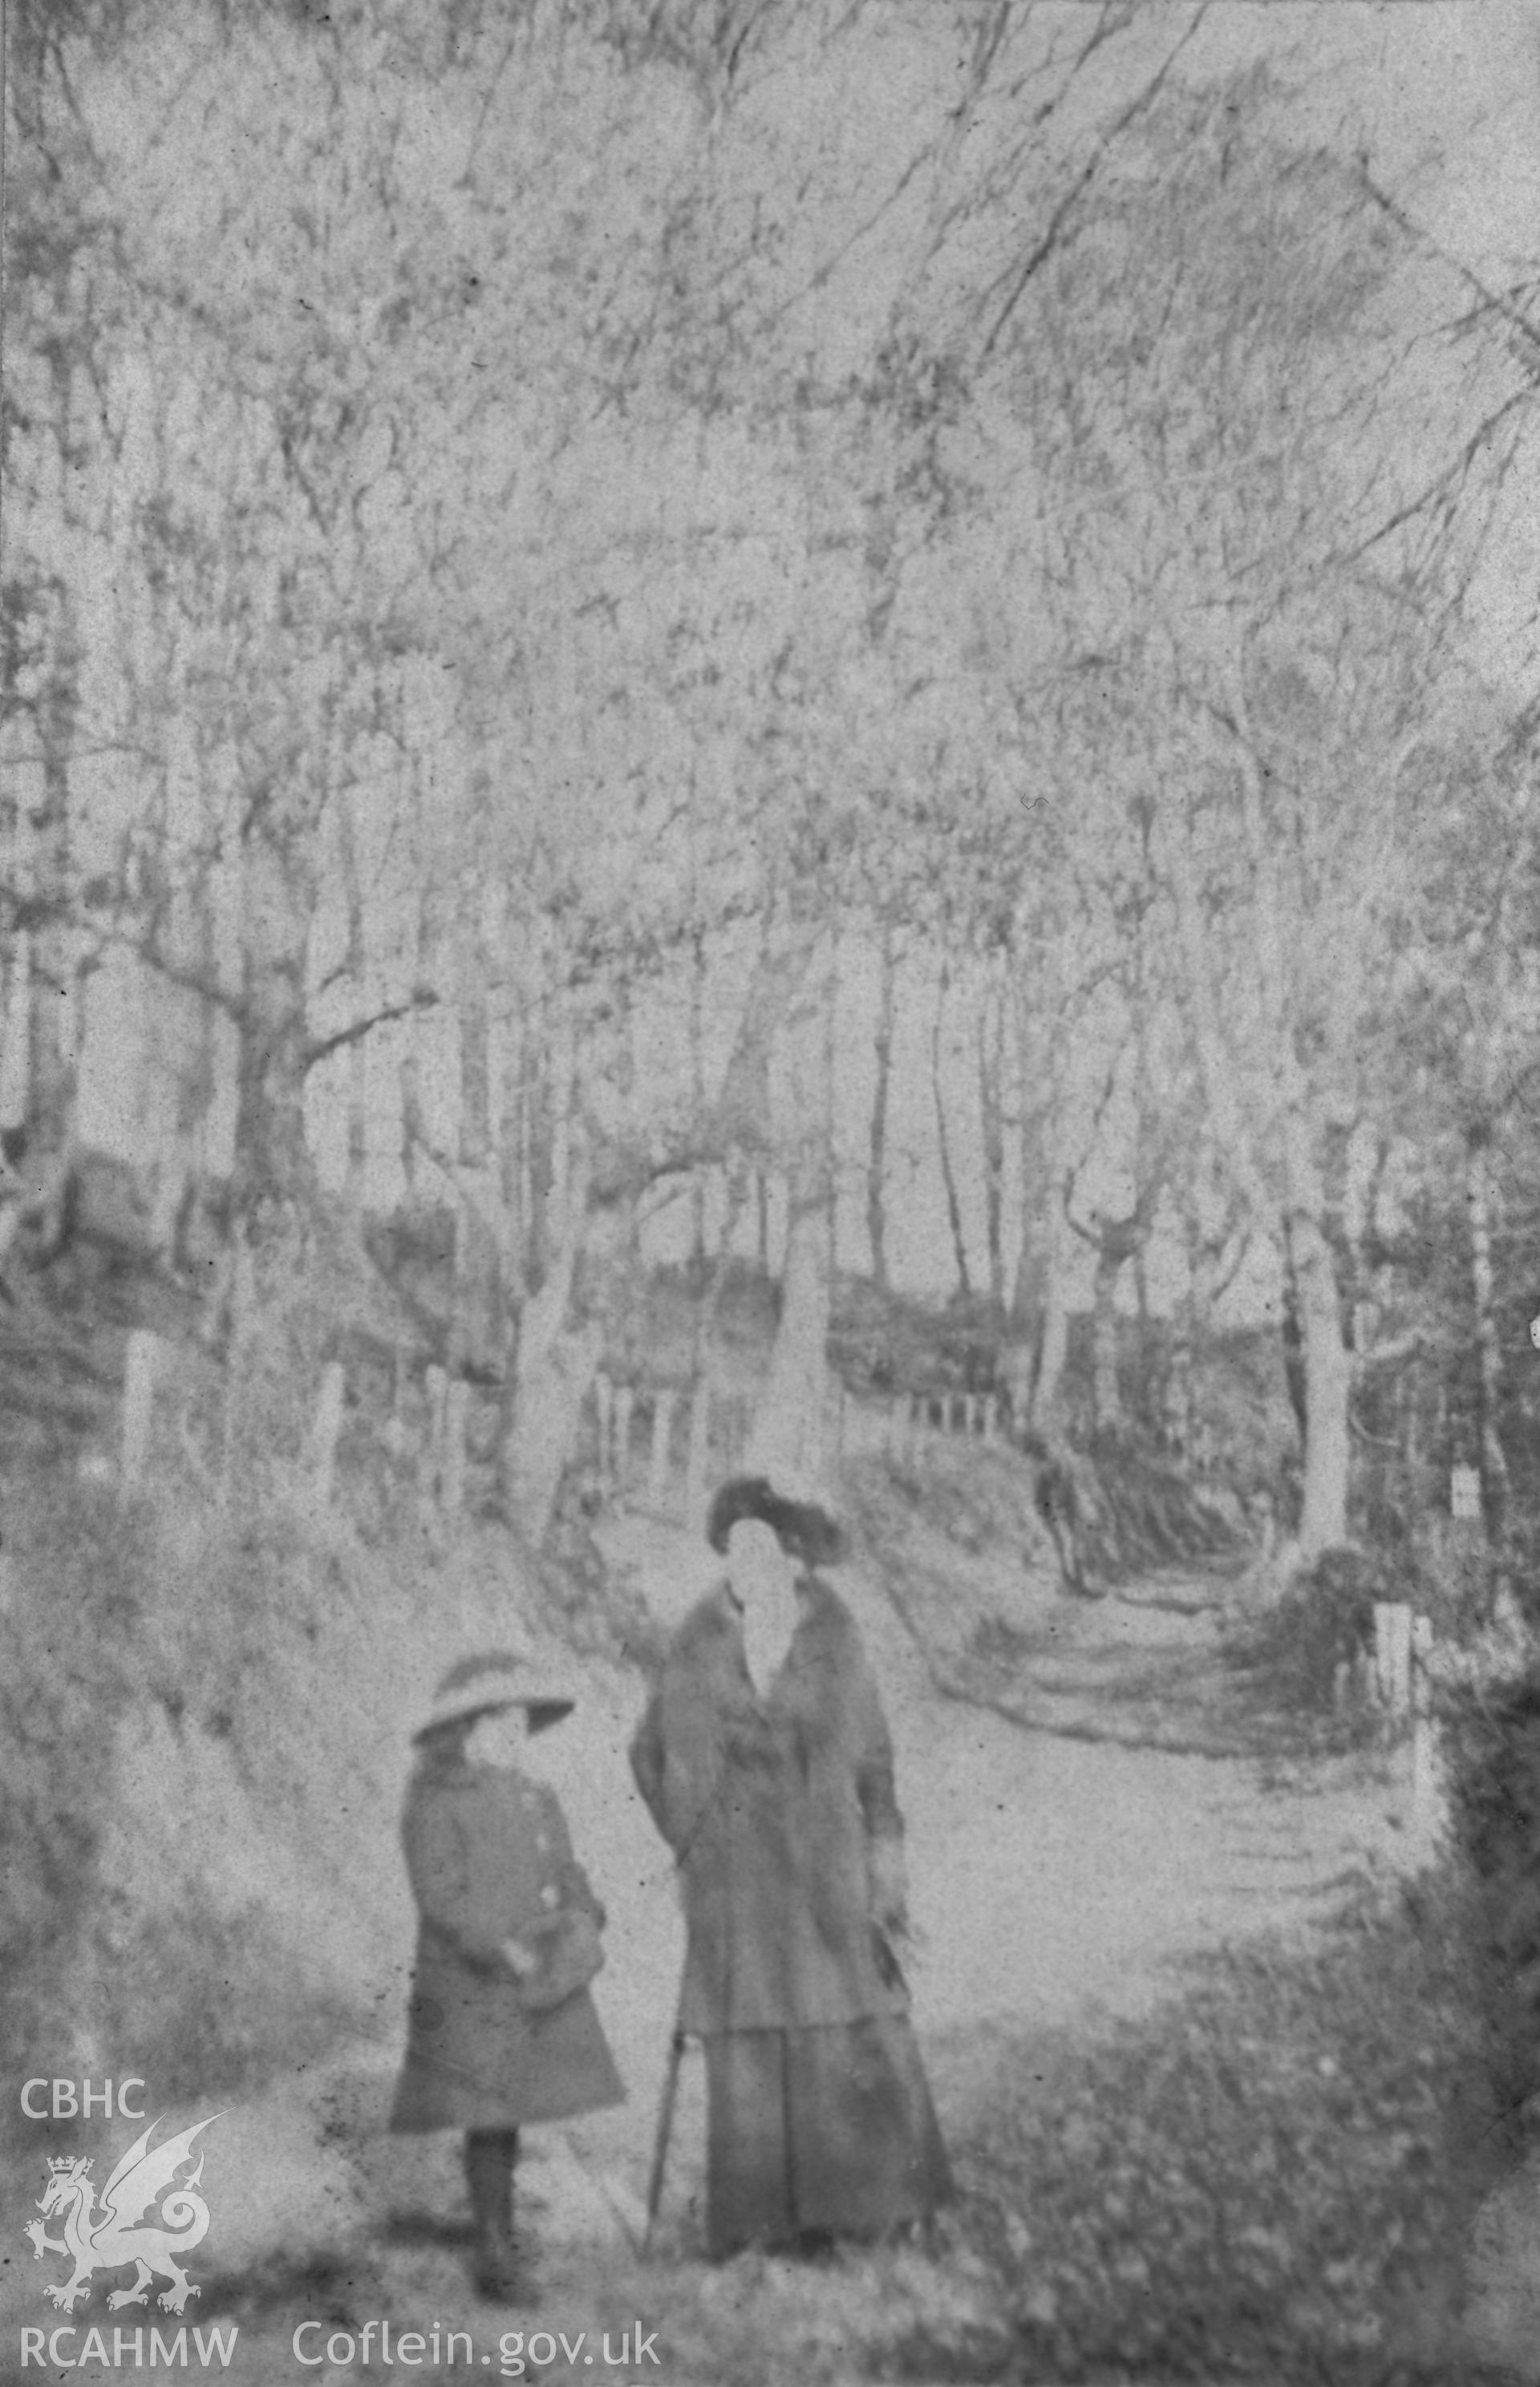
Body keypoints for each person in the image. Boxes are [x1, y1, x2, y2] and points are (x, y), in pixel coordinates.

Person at [629, 1475, 952, 2260]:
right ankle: (761, 2225)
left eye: (760, 1549)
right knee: (750, 2043)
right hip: (735, 1885)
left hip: (825, 1877)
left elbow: (875, 1758)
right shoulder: (698, 1642)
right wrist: (690, 1840)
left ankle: (874, 2212)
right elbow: (646, 1753)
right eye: (733, 1551)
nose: (746, 1566)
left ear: (792, 1557)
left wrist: (886, 1864)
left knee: (847, 2028)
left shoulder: (836, 1642)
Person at [390, 1651, 625, 2301]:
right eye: (502, 1724)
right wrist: (499, 1946)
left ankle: (502, 2231)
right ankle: (494, 2249)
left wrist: (584, 1910)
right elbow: (441, 1895)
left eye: (522, 1726)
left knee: (512, 2110)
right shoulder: (435, 1800)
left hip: (531, 1974)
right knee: (487, 2113)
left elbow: (565, 1868)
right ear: (466, 1730)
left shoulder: (535, 1795)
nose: (515, 1738)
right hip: (473, 1980)